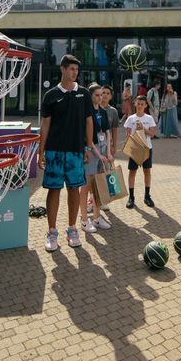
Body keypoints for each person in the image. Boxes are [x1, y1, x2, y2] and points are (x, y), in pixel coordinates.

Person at [38, 54, 95, 252]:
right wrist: (41, 151)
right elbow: (45, 124)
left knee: (74, 189)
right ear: (62, 69)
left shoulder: (84, 94)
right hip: (54, 151)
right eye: (71, 69)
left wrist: (88, 147)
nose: (75, 73)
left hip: (75, 151)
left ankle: (72, 229)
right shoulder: (51, 95)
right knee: (53, 190)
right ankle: (51, 232)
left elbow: (89, 121)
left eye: (77, 70)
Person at [80, 83, 115, 233]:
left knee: (99, 186)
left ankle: (97, 216)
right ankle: (83, 219)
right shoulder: (85, 112)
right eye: (97, 95)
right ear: (90, 96)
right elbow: (87, 136)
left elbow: (107, 132)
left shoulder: (103, 111)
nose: (101, 97)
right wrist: (98, 153)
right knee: (87, 186)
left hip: (102, 150)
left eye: (102, 94)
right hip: (91, 151)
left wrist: (107, 152)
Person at [122, 95, 158, 208]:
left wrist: (143, 128)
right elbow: (128, 135)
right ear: (135, 104)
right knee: (132, 172)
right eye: (138, 103)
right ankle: (131, 197)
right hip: (134, 149)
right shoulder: (130, 119)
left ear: (145, 106)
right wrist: (134, 133)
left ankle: (147, 196)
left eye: (142, 104)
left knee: (147, 171)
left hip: (147, 148)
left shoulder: (149, 118)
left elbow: (152, 134)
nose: (140, 106)